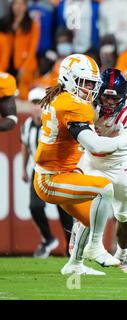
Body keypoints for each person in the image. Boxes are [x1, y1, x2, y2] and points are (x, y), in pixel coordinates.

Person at [34, 53, 127, 275]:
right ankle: (95, 247)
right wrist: (125, 138)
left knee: (93, 215)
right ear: (69, 79)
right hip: (52, 177)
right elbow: (96, 146)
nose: (91, 89)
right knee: (103, 189)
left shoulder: (68, 99)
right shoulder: (72, 104)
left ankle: (74, 264)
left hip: (67, 170)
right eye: (86, 83)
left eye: (93, 84)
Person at [71, 68, 127, 274]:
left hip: (120, 167)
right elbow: (94, 144)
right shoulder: (86, 107)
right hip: (92, 163)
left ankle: (122, 255)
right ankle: (82, 251)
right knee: (88, 205)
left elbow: (115, 144)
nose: (110, 103)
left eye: (115, 99)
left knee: (124, 216)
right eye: (105, 97)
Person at [21, 87, 73, 258]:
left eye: (40, 103)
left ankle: (69, 248)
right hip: (37, 170)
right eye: (34, 103)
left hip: (56, 171)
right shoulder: (27, 126)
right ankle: (48, 238)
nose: (37, 107)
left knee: (64, 213)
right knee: (35, 207)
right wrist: (23, 167)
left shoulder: (52, 123)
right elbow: (25, 146)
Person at [0, 0, 40, 100]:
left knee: (23, 95)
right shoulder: (4, 22)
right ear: (12, 5)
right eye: (15, 3)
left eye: (21, 4)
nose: (18, 7)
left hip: (23, 63)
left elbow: (32, 49)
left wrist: (25, 66)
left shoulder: (32, 25)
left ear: (25, 6)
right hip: (5, 61)